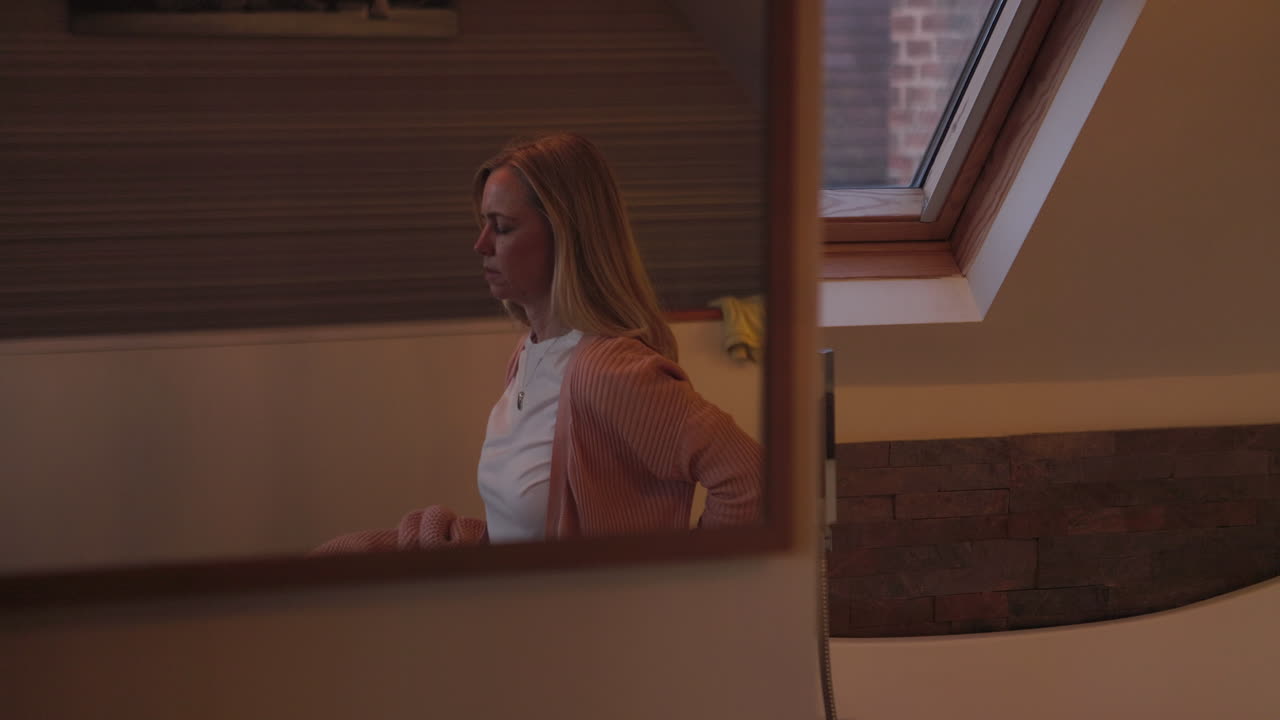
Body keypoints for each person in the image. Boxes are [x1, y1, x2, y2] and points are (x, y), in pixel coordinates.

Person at [315, 133, 762, 553]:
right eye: (483, 224)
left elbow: (751, 479)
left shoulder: (609, 372)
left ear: (565, 238)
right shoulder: (529, 353)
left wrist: (689, 586)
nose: (480, 244)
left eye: (503, 227)